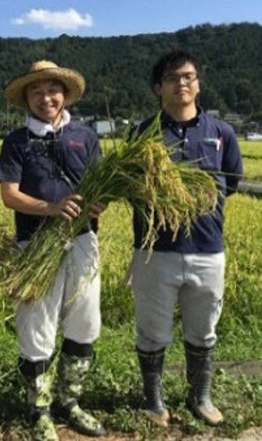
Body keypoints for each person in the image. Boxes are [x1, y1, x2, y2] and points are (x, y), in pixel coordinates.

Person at [129, 50, 243, 428]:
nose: (183, 83)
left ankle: (201, 396)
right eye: (174, 78)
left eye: (189, 76)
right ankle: (154, 401)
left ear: (198, 83)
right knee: (152, 329)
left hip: (207, 249)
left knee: (203, 327)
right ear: (157, 87)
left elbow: (233, 182)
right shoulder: (142, 133)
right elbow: (130, 187)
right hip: (155, 251)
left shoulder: (220, 132)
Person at [0, 60, 107, 440]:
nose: (46, 97)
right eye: (37, 91)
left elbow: (101, 185)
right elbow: (9, 196)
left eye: (52, 90)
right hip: (34, 244)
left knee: (85, 320)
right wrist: (52, 209)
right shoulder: (17, 141)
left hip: (82, 241)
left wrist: (97, 204)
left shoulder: (85, 135)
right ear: (26, 98)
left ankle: (69, 402)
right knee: (36, 325)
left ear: (65, 94)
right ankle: (38, 410)